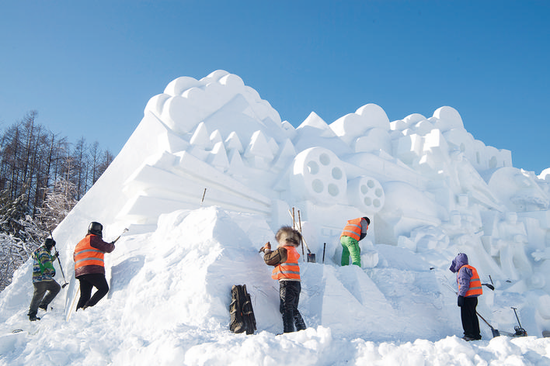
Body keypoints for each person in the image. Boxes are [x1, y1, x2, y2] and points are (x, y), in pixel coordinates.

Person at [260, 226, 306, 333]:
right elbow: (279, 261)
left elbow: (269, 259)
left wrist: (267, 250)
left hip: (287, 284)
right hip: (296, 284)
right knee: (293, 308)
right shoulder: (292, 251)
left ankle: (288, 333)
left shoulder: (282, 251)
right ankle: (302, 330)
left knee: (286, 309)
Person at [74, 222, 115, 310]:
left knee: (84, 295)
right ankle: (87, 307)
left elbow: (76, 257)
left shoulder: (80, 243)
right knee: (103, 288)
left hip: (80, 272)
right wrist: (112, 245)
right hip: (93, 270)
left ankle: (77, 315)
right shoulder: (93, 239)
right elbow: (108, 248)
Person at [449, 253, 483, 341]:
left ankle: (469, 334)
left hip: (467, 296)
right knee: (472, 315)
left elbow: (464, 284)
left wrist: (461, 296)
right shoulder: (469, 268)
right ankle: (476, 334)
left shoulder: (463, 270)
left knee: (466, 316)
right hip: (473, 297)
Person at [28, 238, 61, 321]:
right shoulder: (43, 252)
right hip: (40, 278)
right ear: (49, 245)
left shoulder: (43, 252)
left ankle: (43, 305)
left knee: (56, 288)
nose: (52, 248)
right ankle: (32, 314)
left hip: (46, 278)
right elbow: (46, 262)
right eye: (52, 246)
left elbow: (48, 259)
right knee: (38, 295)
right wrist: (52, 270)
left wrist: (54, 257)